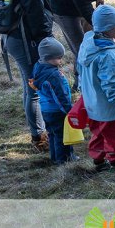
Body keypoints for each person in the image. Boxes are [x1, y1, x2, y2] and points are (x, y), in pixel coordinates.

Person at [0, 0, 62, 152]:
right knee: (34, 87)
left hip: (14, 35)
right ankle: (39, 137)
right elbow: (35, 10)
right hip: (25, 37)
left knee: (31, 85)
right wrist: (46, 41)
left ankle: (40, 132)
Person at [76, 5, 115, 171]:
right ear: (110, 29)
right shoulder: (108, 54)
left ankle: (99, 160)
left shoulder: (87, 44)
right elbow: (111, 82)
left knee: (98, 132)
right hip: (109, 106)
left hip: (92, 102)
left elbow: (80, 70)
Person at [49, 0, 115, 86]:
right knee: (82, 48)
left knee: (92, 40)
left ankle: (94, 75)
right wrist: (104, 30)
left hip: (80, 1)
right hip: (63, 9)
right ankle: (82, 83)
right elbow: (84, 8)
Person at [31, 36, 76, 164]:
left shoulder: (38, 67)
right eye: (58, 58)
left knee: (52, 134)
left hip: (45, 110)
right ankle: (64, 159)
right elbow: (60, 96)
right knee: (62, 135)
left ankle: (55, 157)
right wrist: (69, 111)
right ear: (48, 58)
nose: (61, 60)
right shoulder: (54, 76)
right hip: (57, 111)